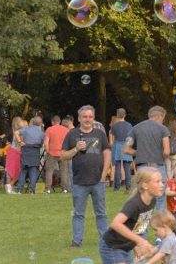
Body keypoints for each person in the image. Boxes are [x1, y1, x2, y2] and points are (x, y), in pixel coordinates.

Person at [62, 105, 111, 248]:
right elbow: (63, 155)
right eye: (84, 117)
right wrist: (76, 148)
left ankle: (105, 241)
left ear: (93, 118)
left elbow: (107, 153)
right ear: (79, 118)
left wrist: (104, 174)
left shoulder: (100, 134)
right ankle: (77, 241)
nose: (87, 119)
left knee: (101, 212)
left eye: (90, 117)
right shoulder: (72, 134)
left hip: (98, 181)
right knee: (78, 213)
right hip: (79, 181)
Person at [99, 167, 164, 264]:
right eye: (157, 182)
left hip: (125, 247)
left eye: (161, 181)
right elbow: (116, 224)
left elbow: (136, 226)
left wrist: (135, 246)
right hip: (112, 247)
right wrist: (140, 241)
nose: (162, 185)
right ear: (145, 185)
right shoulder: (134, 204)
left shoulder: (152, 200)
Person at [124, 106, 171, 212]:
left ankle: (142, 227)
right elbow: (167, 151)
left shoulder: (135, 128)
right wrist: (160, 156)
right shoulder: (163, 129)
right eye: (163, 119)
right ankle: (160, 225)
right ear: (159, 116)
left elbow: (126, 149)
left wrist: (138, 152)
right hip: (158, 167)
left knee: (142, 199)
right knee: (160, 199)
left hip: (142, 168)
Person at [17, 116, 45, 194]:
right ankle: (32, 190)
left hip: (26, 150)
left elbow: (16, 132)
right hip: (35, 151)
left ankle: (20, 190)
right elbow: (43, 144)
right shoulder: (42, 133)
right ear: (40, 123)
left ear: (32, 122)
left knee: (23, 171)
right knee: (33, 171)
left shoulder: (26, 129)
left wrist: (19, 141)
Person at [43, 115, 69, 194]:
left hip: (52, 152)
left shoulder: (49, 129)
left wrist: (47, 151)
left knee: (49, 171)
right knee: (63, 171)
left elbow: (46, 142)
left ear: (52, 122)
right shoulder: (66, 130)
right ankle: (64, 189)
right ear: (60, 121)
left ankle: (48, 189)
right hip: (63, 153)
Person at [109, 108, 134, 192]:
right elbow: (131, 137)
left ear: (117, 115)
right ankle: (128, 187)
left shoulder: (114, 126)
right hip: (126, 145)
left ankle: (116, 188)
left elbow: (111, 137)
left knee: (117, 167)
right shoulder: (129, 125)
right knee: (127, 167)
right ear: (125, 115)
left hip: (117, 146)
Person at [4, 116, 24, 194]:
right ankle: (10, 186)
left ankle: (9, 187)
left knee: (10, 170)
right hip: (16, 152)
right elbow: (21, 143)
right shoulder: (20, 132)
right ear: (19, 122)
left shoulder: (14, 130)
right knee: (19, 170)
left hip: (11, 151)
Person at [165, 115, 176, 179]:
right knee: (173, 167)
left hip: (167, 151)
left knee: (168, 167)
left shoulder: (166, 129)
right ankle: (172, 179)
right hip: (175, 151)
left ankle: (169, 180)